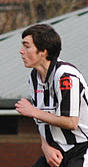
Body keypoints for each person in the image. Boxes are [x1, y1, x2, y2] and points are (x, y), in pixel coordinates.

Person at [16, 24, 88, 167]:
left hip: (83, 148)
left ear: (43, 51)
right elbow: (41, 121)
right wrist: (46, 146)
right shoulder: (34, 77)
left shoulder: (65, 76)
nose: (21, 51)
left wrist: (33, 111)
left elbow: (71, 122)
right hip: (58, 149)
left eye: (27, 46)